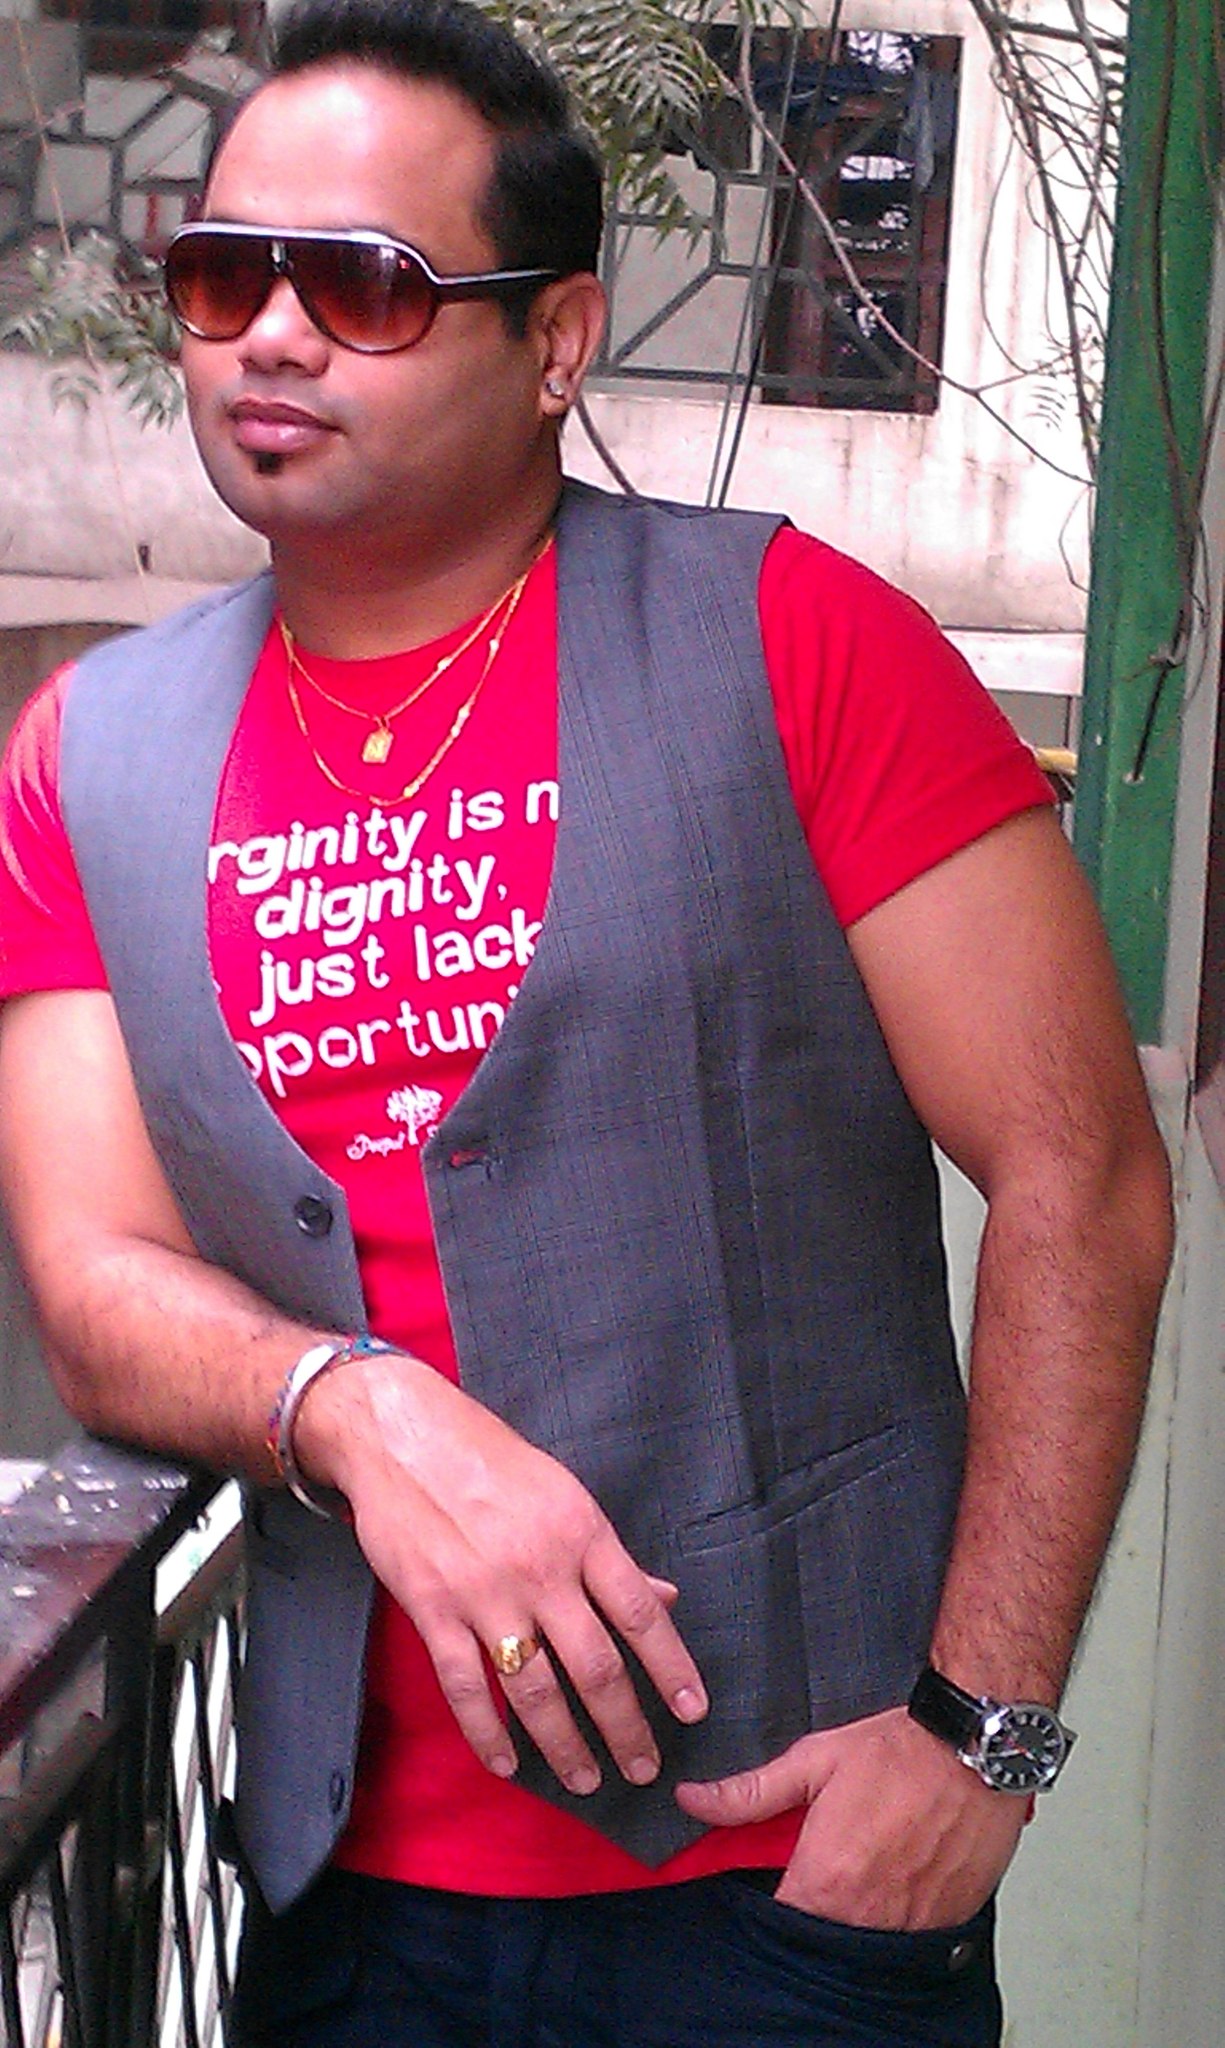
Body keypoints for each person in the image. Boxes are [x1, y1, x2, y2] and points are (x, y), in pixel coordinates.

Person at [0, 2, 1172, 2042]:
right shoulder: (87, 755)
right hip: (342, 1889)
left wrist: (978, 1742)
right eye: (221, 276)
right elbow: (95, 1282)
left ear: (553, 340)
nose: (270, 336)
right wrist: (355, 1406)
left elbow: (1083, 1177)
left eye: (363, 285)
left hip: (781, 1894)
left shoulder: (798, 643)